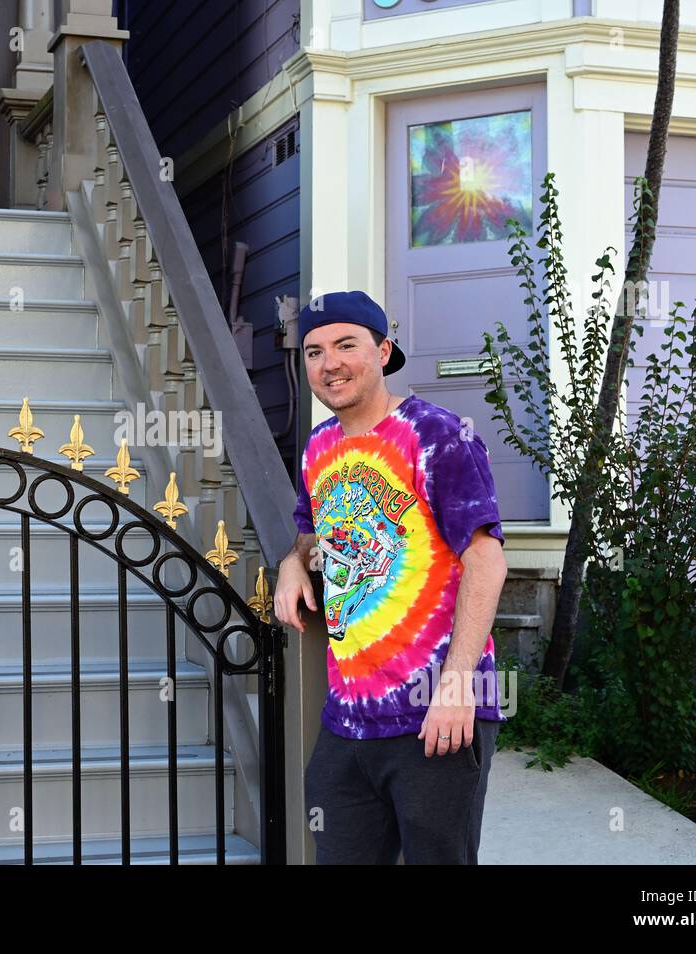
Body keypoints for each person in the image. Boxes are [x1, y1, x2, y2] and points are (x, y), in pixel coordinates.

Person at [274, 290, 508, 865]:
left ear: (383, 350)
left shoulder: (438, 435)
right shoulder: (318, 448)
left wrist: (456, 686)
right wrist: (289, 562)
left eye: (346, 345)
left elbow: (486, 558)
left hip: (435, 710)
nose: (329, 364)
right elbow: (313, 538)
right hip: (347, 717)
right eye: (313, 351)